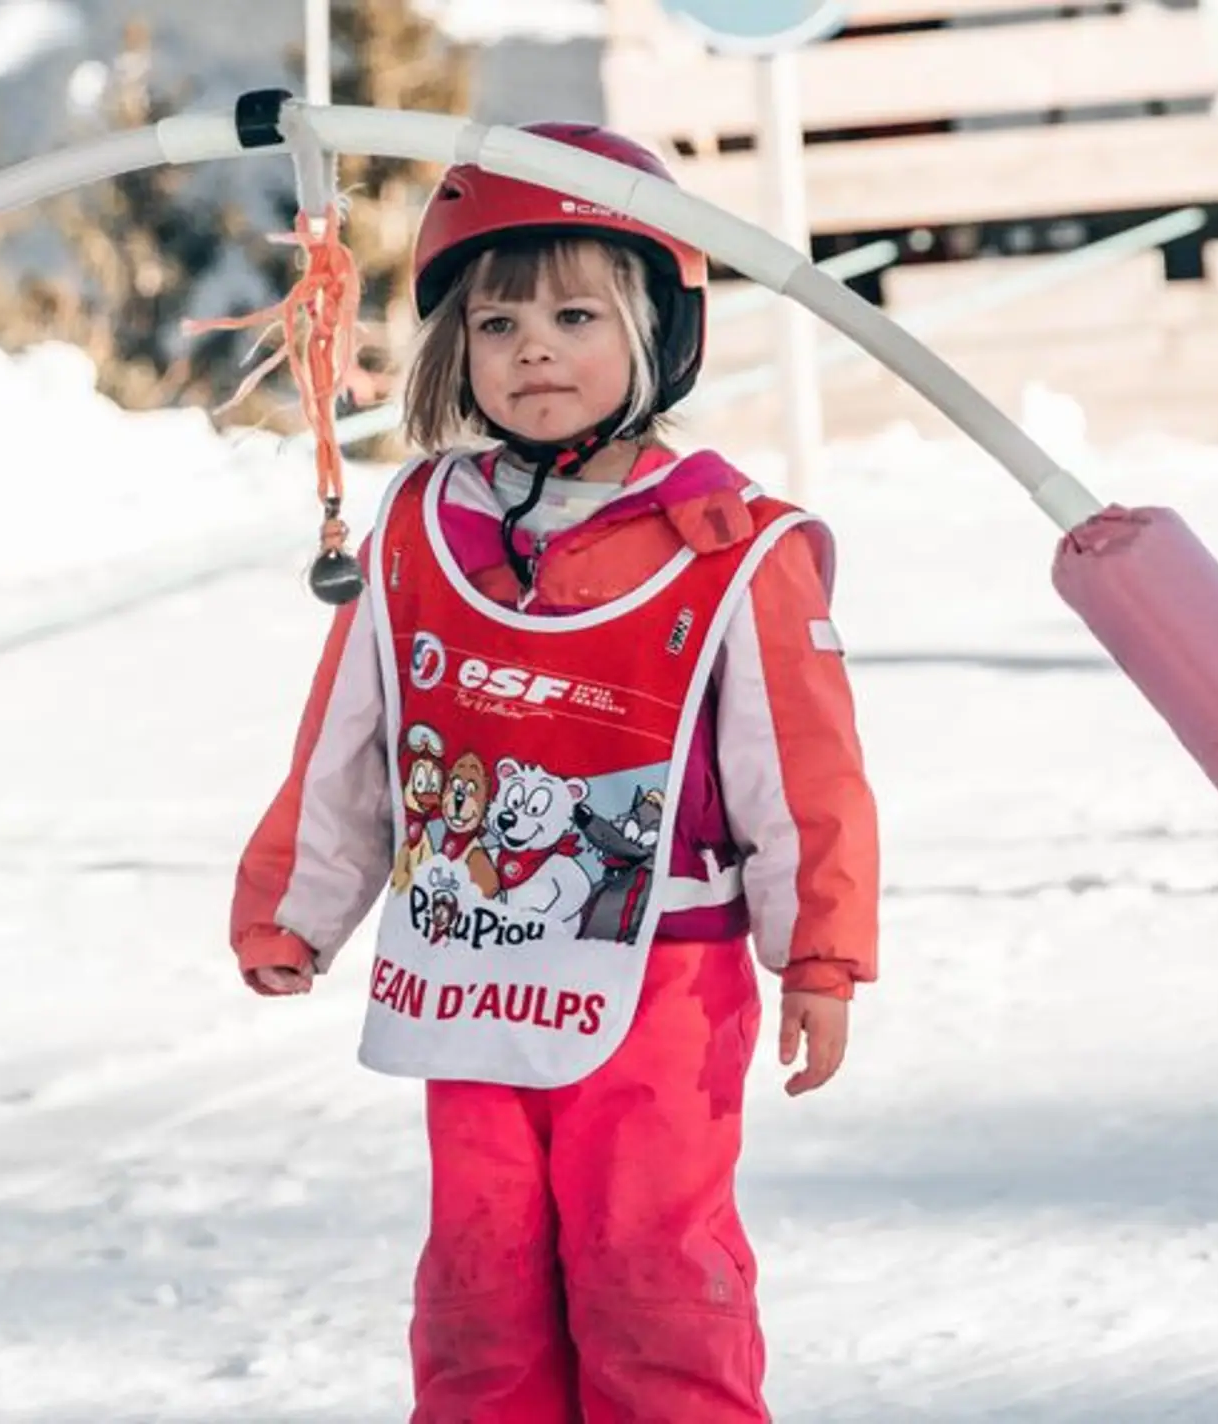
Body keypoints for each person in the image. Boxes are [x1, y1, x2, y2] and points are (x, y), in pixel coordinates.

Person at [227, 121, 880, 1423]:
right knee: (483, 1296)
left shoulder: (729, 546)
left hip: (661, 986)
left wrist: (819, 952)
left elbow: (801, 770)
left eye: (577, 315)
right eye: (497, 323)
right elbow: (358, 734)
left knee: (651, 1284)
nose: (533, 349)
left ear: (657, 333)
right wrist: (293, 905)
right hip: (467, 976)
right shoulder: (423, 529)